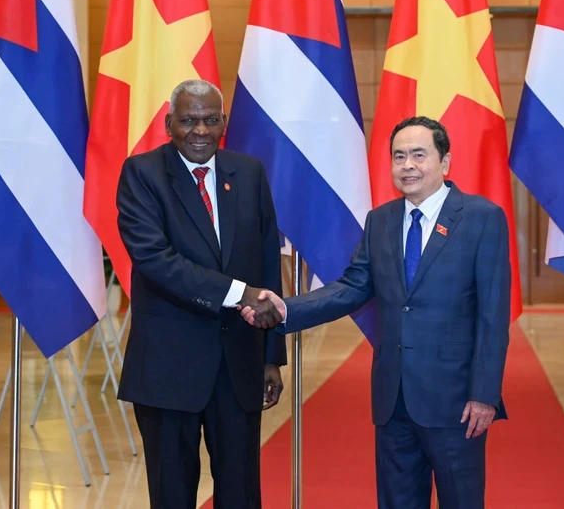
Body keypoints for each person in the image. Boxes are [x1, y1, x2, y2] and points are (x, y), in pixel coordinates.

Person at [242, 116, 510, 509]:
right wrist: (285, 308)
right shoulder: (380, 220)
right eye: (399, 156)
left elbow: (492, 315)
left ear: (445, 162)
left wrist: (484, 395)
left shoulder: (481, 218)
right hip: (393, 398)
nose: (407, 165)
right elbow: (352, 287)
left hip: (455, 400)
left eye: (419, 155)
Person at [115, 79, 286, 509]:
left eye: (211, 120)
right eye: (189, 120)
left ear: (224, 122)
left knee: (242, 491)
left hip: (239, 365)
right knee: (172, 493)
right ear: (169, 123)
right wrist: (238, 293)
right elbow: (156, 261)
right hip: (168, 367)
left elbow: (267, 264)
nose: (200, 131)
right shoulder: (142, 173)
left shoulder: (248, 172)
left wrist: (270, 356)